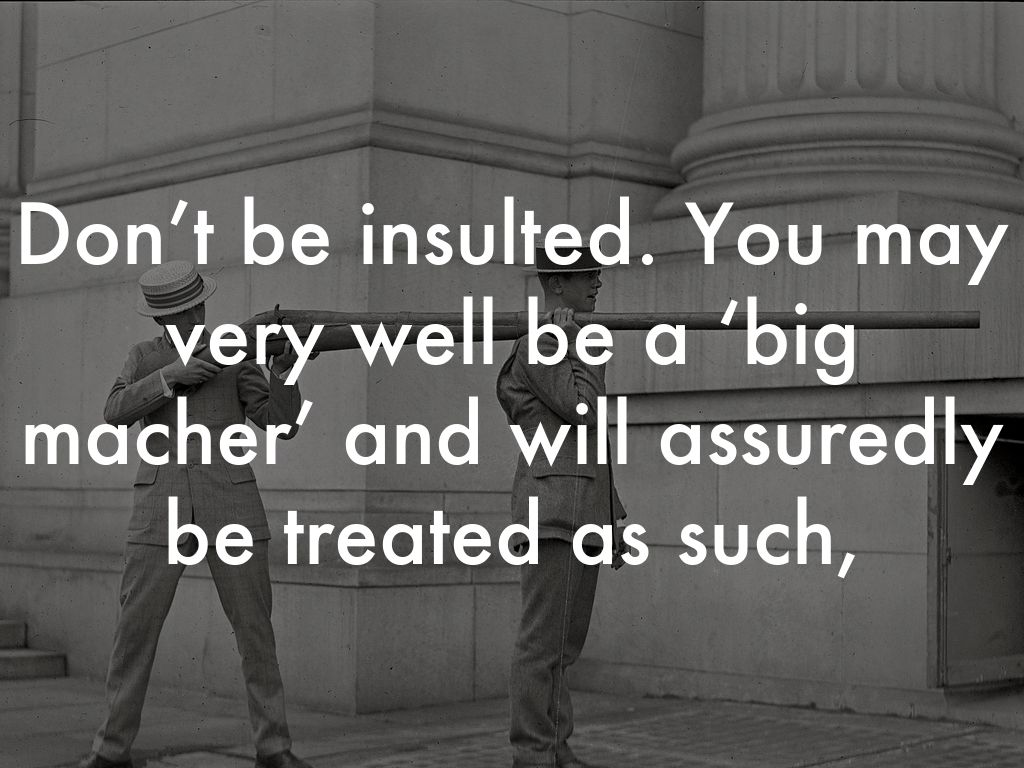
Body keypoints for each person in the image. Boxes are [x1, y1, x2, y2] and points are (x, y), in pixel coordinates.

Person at [79, 261, 315, 768]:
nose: (195, 317)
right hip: (158, 508)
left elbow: (281, 424)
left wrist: (286, 371)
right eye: (183, 312)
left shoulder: (233, 352)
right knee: (134, 635)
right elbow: (114, 411)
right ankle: (110, 751)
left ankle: (274, 748)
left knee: (255, 633)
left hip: (232, 504)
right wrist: (170, 378)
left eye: (197, 307)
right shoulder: (143, 357)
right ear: (161, 319)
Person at [496, 246, 627, 768]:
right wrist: (580, 344)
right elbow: (583, 408)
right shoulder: (542, 344)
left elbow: (588, 444)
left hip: (578, 511)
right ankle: (533, 752)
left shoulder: (562, 341)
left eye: (597, 274)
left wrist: (610, 514)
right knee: (542, 645)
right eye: (586, 275)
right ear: (556, 284)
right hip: (552, 515)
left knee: (563, 647)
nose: (597, 283)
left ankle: (554, 745)